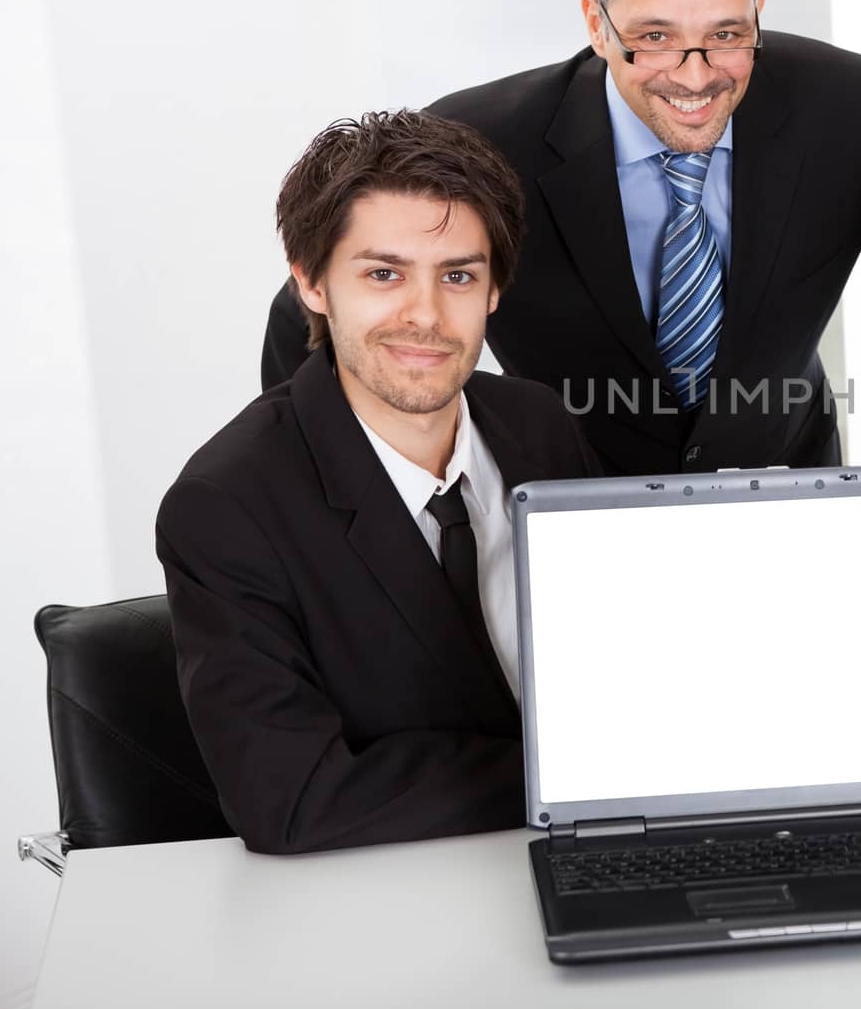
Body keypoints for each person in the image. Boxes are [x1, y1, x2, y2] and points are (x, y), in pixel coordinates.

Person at [261, 0, 861, 477]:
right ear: (597, 24)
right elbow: (318, 312)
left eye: (726, 34)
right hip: (564, 506)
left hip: (783, 486)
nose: (698, 76)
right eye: (654, 38)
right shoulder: (485, 140)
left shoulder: (846, 110)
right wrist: (343, 501)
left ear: (759, 13)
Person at [158, 110, 599, 854]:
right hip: (383, 904)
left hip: (592, 854)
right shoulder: (227, 506)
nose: (425, 316)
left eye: (458, 275)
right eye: (384, 274)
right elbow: (290, 803)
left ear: (495, 291)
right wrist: (578, 774)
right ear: (312, 282)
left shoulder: (540, 425)